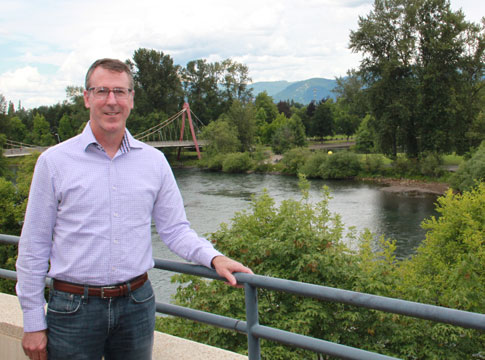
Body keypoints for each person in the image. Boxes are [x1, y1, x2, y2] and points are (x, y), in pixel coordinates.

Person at [16, 58, 253, 360]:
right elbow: (34, 245)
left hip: (137, 306)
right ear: (86, 97)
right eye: (102, 91)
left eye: (120, 92)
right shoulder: (54, 162)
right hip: (73, 308)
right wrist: (33, 321)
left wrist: (214, 257)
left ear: (131, 99)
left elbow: (175, 230)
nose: (111, 101)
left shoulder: (154, 162)